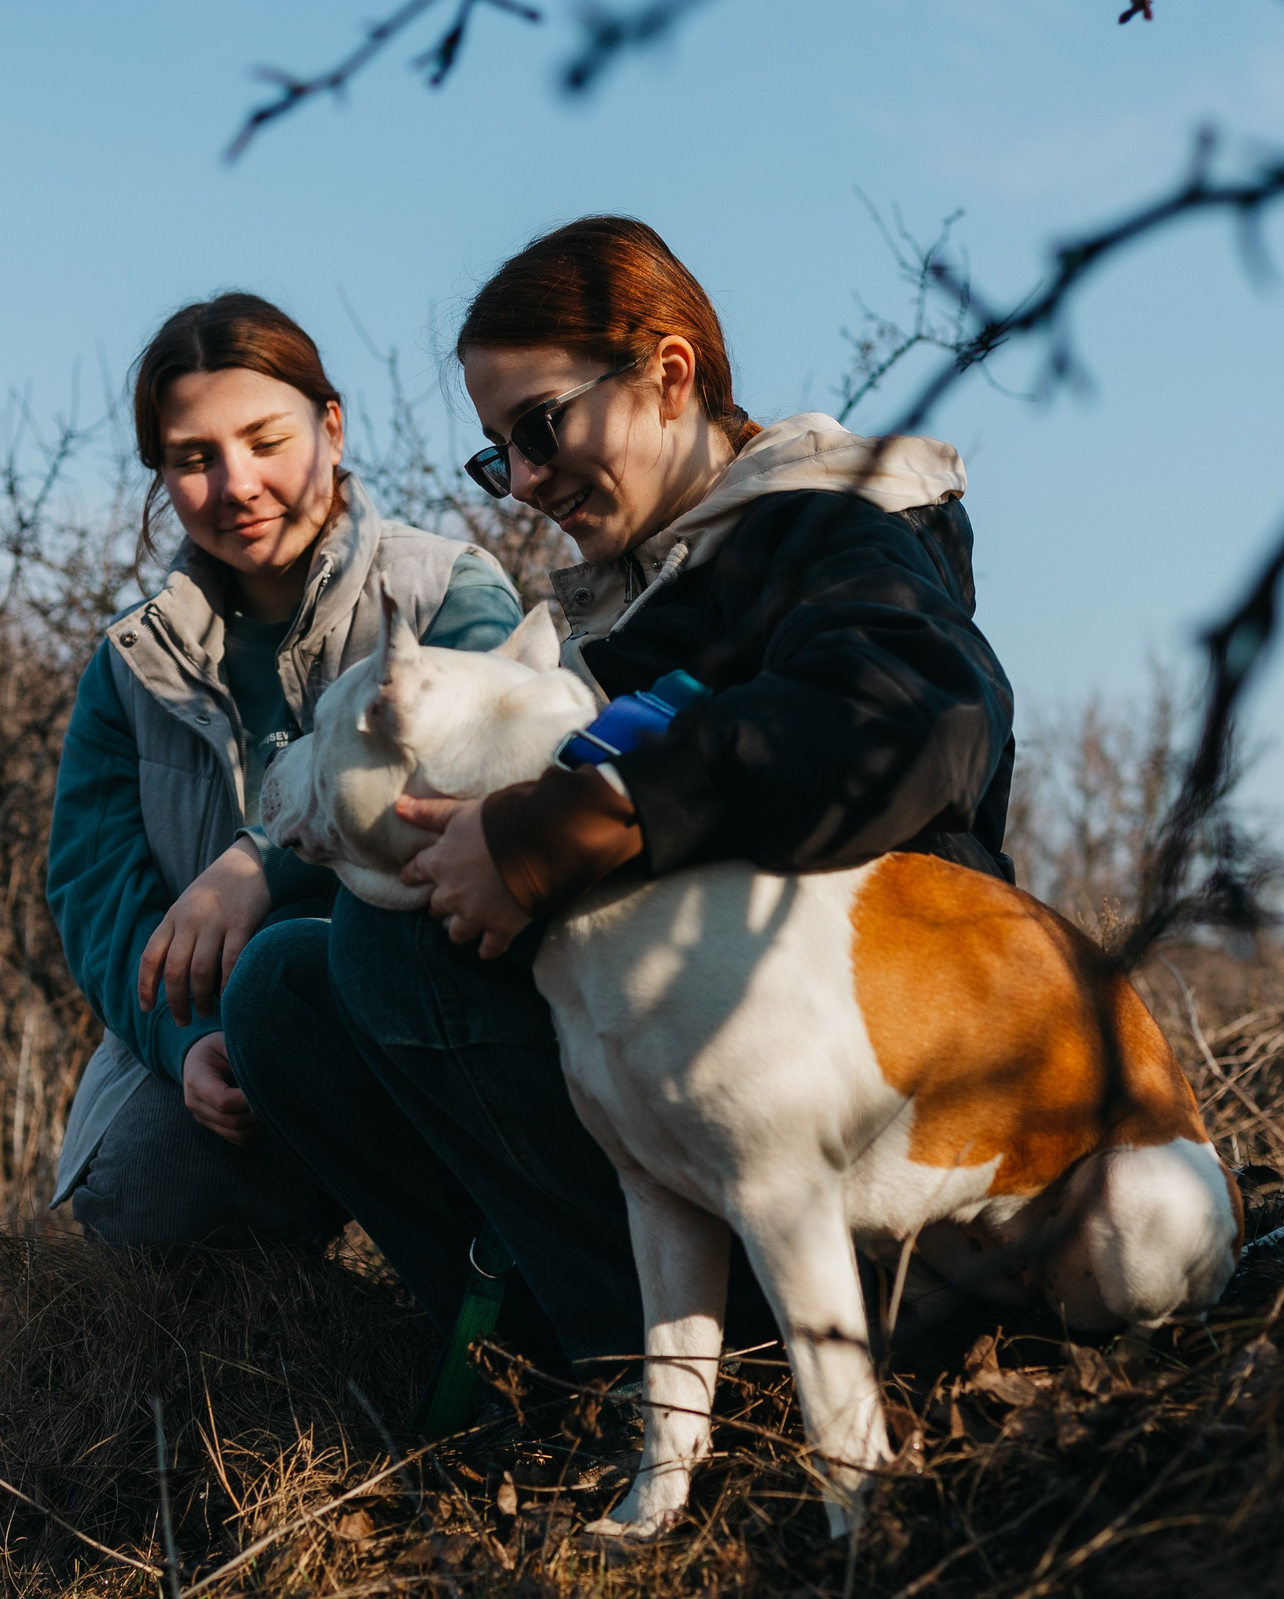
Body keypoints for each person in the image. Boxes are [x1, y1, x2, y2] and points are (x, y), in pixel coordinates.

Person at [223, 218, 1014, 1372]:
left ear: (667, 375)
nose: (527, 482)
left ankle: (684, 1363)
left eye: (539, 428)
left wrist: (594, 820)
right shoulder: (634, 603)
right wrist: (258, 859)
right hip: (689, 1045)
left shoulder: (829, 528)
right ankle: (514, 1363)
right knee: (285, 987)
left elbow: (916, 721)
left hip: (862, 1102)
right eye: (502, 454)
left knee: (384, 953)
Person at [45, 292, 524, 1250]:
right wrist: (185, 1042)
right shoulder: (129, 664)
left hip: (426, 1003)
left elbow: (471, 776)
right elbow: (94, 889)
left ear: (331, 428)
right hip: (221, 1036)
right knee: (135, 1200)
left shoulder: (448, 590)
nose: (238, 483)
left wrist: (262, 861)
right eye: (194, 458)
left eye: (267, 439)